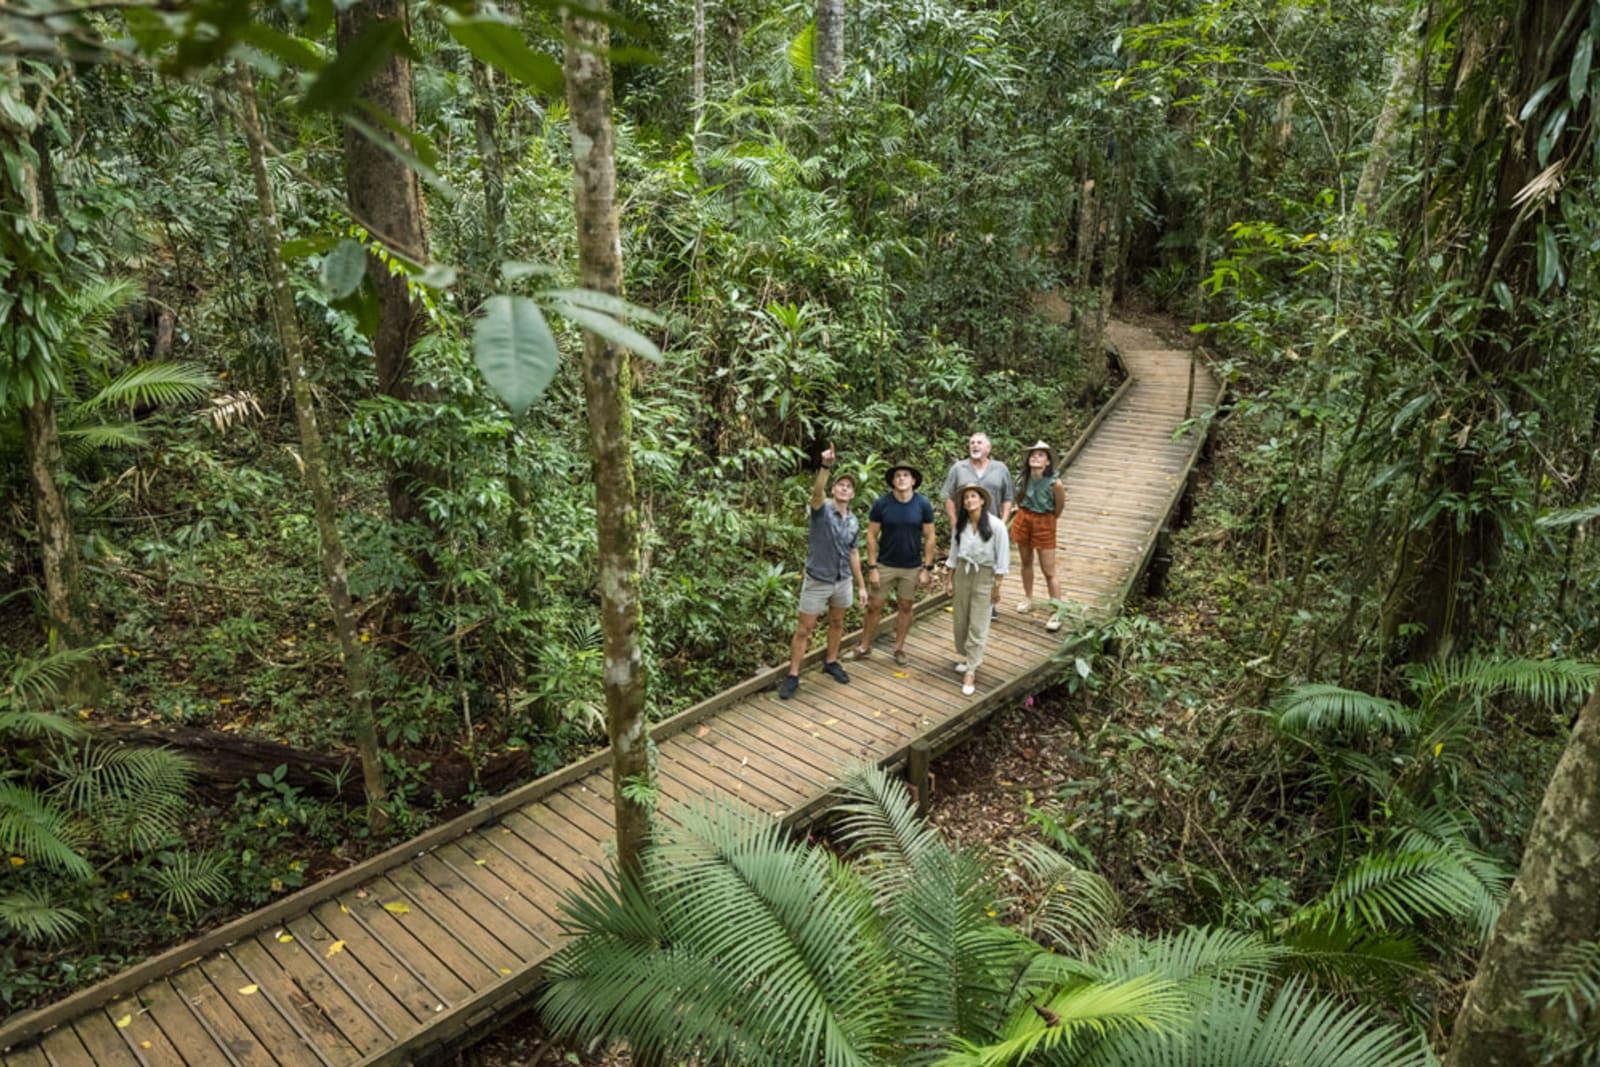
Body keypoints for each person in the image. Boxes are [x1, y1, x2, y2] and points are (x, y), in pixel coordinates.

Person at [779, 446, 867, 700]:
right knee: (804, 628)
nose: (844, 488)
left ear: (852, 494)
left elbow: (854, 554)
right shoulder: (821, 510)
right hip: (818, 578)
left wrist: (861, 585)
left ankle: (831, 661)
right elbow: (816, 494)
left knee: (837, 621)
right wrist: (825, 467)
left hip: (842, 580)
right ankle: (793, 674)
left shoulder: (853, 521)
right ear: (833, 489)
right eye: (840, 485)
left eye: (849, 486)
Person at [853, 464, 937, 666]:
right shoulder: (882, 503)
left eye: (906, 475)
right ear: (892, 480)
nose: (901, 479)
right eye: (897, 476)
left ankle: (899, 648)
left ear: (913, 480)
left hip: (911, 565)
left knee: (906, 606)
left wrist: (927, 568)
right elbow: (872, 535)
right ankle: (865, 646)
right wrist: (872, 567)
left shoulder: (922, 504)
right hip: (885, 564)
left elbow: (930, 536)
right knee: (874, 606)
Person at [942, 483, 1009, 697]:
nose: (969, 500)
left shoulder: (996, 526)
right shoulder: (960, 526)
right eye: (966, 498)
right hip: (963, 572)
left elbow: (1002, 559)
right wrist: (950, 580)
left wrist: (997, 586)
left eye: (973, 497)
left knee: (978, 623)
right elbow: (953, 555)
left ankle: (971, 669)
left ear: (982, 501)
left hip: (985, 575)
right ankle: (967, 656)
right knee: (961, 620)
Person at [941, 431, 1014, 619]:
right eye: (972, 442)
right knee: (965, 558)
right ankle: (962, 599)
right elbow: (948, 497)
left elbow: (1008, 497)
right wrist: (953, 521)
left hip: (991, 526)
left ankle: (990, 602)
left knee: (990, 562)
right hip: (966, 525)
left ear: (988, 448)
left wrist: (1004, 521)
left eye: (979, 442)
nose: (975, 445)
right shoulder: (959, 468)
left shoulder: (1000, 468)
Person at [1010, 440, 1066, 633]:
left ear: (1048, 462)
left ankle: (1058, 611)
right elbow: (1018, 499)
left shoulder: (1055, 483)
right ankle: (1028, 597)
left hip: (1045, 520)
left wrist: (1047, 520)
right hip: (1024, 517)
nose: (1035, 457)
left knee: (1048, 570)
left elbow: (1059, 508)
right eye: (1033, 455)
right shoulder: (1022, 479)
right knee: (1026, 561)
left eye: (1041, 455)